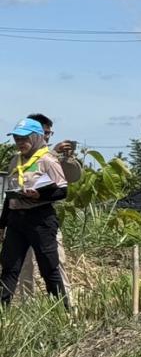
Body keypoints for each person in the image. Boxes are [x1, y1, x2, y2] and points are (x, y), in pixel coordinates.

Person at [1, 118, 69, 307]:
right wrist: (2, 224)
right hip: (16, 219)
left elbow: (62, 191)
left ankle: (61, 311)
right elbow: (9, 196)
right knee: (9, 268)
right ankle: (2, 311)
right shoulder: (15, 160)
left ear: (36, 137)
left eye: (24, 139)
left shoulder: (48, 160)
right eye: (16, 139)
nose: (20, 143)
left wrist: (39, 195)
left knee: (49, 267)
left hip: (40, 219)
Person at [17, 113, 80, 300]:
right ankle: (28, 305)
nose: (46, 137)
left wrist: (67, 159)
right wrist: (52, 152)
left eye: (48, 133)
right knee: (24, 264)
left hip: (46, 217)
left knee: (57, 261)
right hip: (24, 215)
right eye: (43, 133)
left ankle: (66, 304)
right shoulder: (22, 157)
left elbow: (71, 179)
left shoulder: (51, 157)